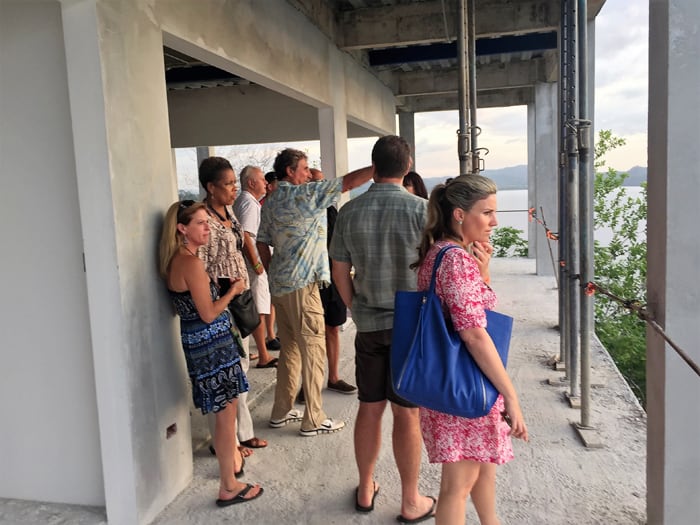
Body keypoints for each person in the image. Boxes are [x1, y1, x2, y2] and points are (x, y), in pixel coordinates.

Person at [330, 135, 436, 523]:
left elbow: (339, 270)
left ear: (373, 167)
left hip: (369, 324)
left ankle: (365, 487)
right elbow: (437, 269)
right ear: (407, 166)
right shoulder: (424, 211)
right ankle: (411, 500)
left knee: (369, 408)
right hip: (412, 324)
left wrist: (355, 306)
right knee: (407, 414)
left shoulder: (350, 211)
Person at [413, 175, 528, 524]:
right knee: (457, 487)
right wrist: (511, 395)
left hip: (455, 383)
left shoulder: (441, 253)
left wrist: (485, 273)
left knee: (482, 471)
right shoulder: (455, 260)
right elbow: (474, 334)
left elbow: (472, 310)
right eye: (487, 213)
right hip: (465, 388)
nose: (494, 222)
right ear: (460, 214)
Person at [256, 148, 374, 437]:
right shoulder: (304, 195)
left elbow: (261, 242)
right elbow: (347, 183)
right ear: (289, 172)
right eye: (305, 168)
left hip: (281, 286)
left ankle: (281, 411)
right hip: (303, 284)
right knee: (313, 348)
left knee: (291, 350)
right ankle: (313, 418)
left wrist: (274, 272)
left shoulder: (271, 200)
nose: (309, 174)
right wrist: (379, 166)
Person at [158, 200, 263, 507]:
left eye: (208, 222)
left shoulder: (182, 258)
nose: (208, 228)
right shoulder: (188, 262)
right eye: (201, 223)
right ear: (182, 229)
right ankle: (228, 485)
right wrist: (232, 292)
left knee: (224, 412)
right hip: (210, 343)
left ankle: (231, 467)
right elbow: (206, 313)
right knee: (225, 413)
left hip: (204, 342)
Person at [198, 157, 273, 460]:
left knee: (239, 369)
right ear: (211, 187)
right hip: (220, 304)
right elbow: (199, 266)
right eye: (228, 184)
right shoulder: (203, 220)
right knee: (225, 374)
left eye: (234, 183)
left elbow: (243, 241)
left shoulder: (227, 211)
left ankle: (242, 433)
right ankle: (224, 440)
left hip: (237, 300)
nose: (233, 189)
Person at [295, 168, 357, 400]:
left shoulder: (333, 211)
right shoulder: (302, 213)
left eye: (323, 182)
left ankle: (333, 377)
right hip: (309, 280)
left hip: (333, 279)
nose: (321, 187)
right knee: (310, 333)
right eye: (315, 182)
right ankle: (309, 383)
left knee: (333, 327)